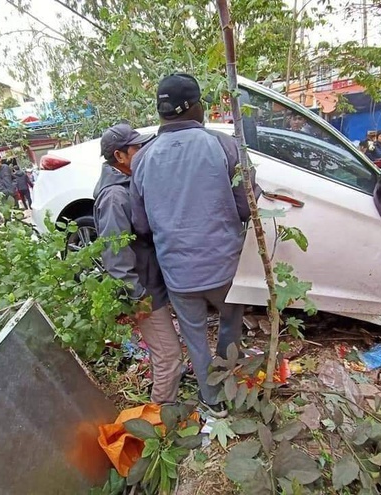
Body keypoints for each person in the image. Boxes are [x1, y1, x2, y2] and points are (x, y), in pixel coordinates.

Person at [130, 73, 260, 417]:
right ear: (197, 107)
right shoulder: (223, 145)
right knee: (230, 322)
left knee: (195, 337)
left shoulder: (142, 159)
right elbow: (247, 206)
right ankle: (230, 377)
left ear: (162, 113)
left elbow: (140, 225)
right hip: (224, 267)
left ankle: (212, 399)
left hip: (178, 274)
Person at [93, 123, 182, 405]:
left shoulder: (127, 184)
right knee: (170, 355)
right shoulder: (114, 197)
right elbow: (115, 256)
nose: (143, 151)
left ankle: (160, 404)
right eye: (137, 148)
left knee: (162, 353)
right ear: (120, 156)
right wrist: (137, 296)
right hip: (143, 292)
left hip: (150, 285)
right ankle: (159, 418)